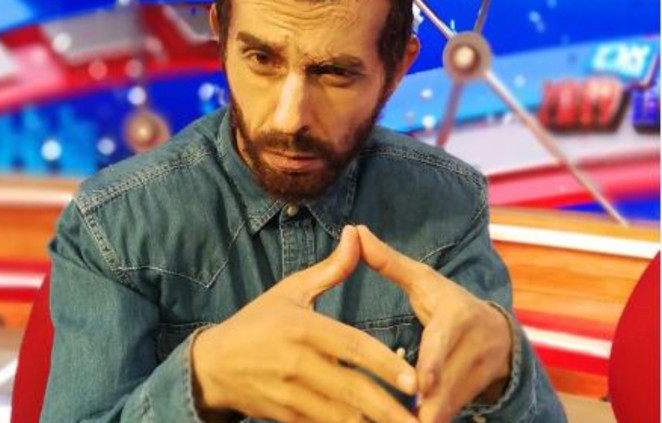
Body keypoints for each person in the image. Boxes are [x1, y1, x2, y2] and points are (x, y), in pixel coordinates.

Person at [40, 0, 567, 422]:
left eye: (335, 73)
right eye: (261, 59)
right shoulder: (114, 222)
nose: (289, 119)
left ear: (398, 68)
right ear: (220, 34)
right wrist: (202, 379)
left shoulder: (448, 201)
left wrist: (505, 369)